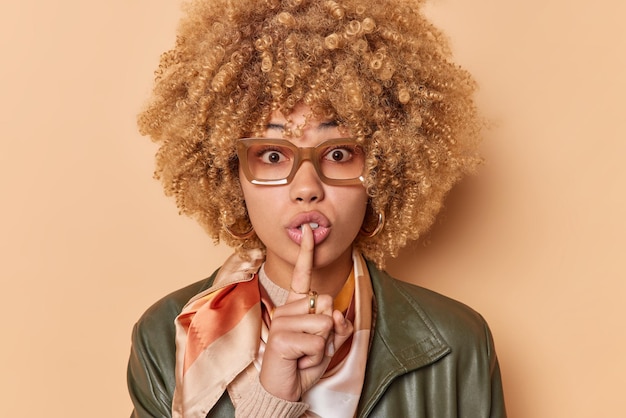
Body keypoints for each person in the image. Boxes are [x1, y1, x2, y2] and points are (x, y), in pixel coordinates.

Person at [127, 0, 507, 417]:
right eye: (272, 156)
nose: (306, 188)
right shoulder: (168, 336)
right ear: (231, 174)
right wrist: (271, 399)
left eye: (340, 153)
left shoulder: (458, 343)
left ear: (382, 170)